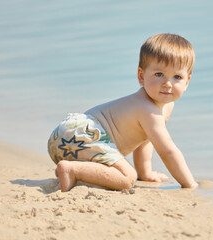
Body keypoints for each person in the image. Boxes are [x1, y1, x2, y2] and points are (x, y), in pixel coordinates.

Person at [47, 33, 198, 192]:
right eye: (159, 74)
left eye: (177, 77)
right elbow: (167, 151)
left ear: (187, 81)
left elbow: (145, 138)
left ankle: (79, 168)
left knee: (125, 171)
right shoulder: (148, 109)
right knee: (127, 177)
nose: (167, 84)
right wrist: (189, 184)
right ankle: (72, 170)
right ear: (141, 76)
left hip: (67, 136)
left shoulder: (163, 105)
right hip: (84, 135)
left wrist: (145, 173)